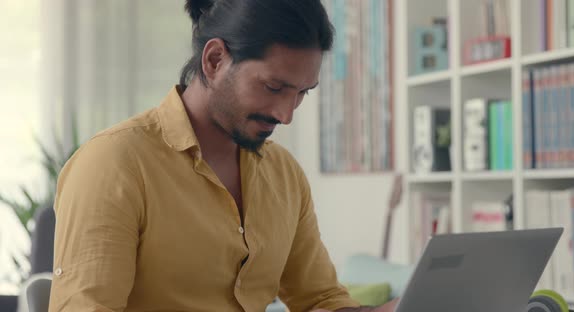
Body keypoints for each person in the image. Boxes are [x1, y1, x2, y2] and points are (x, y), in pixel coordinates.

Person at [48, 1, 398, 311]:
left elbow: (319, 300)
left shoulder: (283, 173)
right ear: (215, 60)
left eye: (301, 93)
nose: (286, 113)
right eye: (273, 87)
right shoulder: (114, 164)